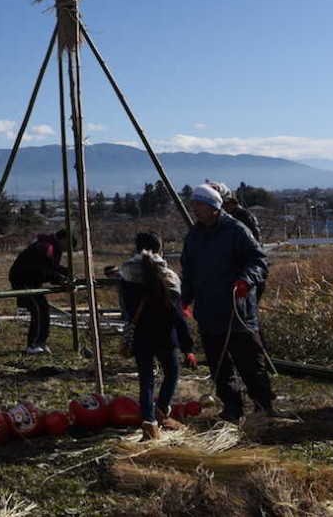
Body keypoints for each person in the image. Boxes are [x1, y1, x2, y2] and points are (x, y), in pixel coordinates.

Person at [180, 183, 284, 422]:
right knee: (219, 365)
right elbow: (189, 271)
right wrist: (185, 299)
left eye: (198, 205)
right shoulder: (194, 236)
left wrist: (246, 281)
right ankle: (231, 408)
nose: (194, 209)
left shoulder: (236, 230)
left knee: (249, 362)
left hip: (237, 311)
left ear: (213, 207)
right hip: (208, 311)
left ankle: (263, 405)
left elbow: (259, 261)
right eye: (193, 205)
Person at [118, 232, 196, 441]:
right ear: (160, 250)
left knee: (146, 380)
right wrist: (188, 347)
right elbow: (177, 316)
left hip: (141, 336)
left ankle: (149, 422)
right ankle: (162, 410)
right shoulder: (168, 277)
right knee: (171, 373)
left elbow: (125, 308)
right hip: (165, 336)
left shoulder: (126, 275)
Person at [9, 229, 70, 355]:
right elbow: (43, 269)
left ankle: (41, 342)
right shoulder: (45, 247)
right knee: (37, 310)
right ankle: (32, 345)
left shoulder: (51, 247)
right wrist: (58, 278)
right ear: (63, 239)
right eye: (68, 244)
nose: (67, 249)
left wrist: (66, 273)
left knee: (43, 309)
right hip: (24, 280)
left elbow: (51, 268)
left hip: (33, 281)